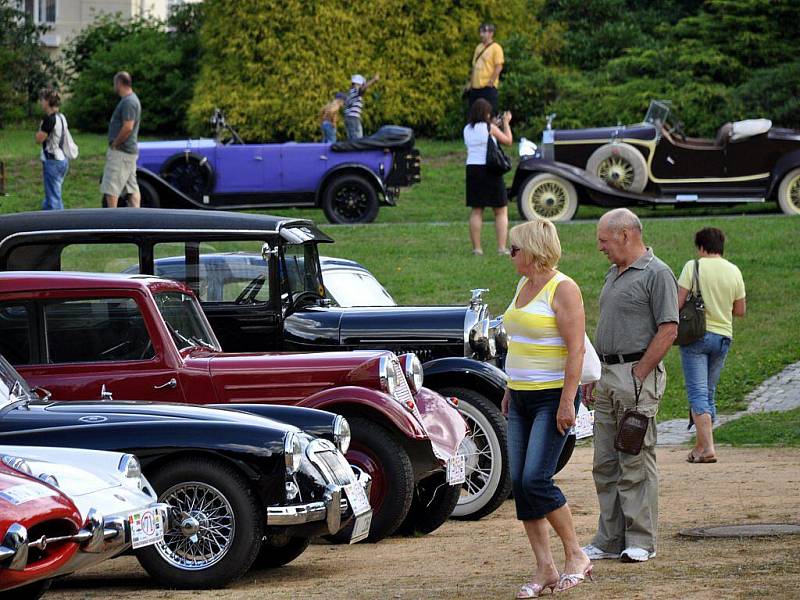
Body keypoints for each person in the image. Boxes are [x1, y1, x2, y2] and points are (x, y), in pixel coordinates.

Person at [501, 218, 592, 598]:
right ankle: (545, 567)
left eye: (515, 249)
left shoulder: (563, 288)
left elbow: (576, 349)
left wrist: (568, 400)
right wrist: (509, 387)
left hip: (551, 397)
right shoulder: (524, 284)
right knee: (520, 483)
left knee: (536, 479)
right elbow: (517, 340)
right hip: (518, 397)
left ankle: (576, 555)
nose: (510, 256)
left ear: (534, 250)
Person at [582, 208, 678, 563]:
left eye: (604, 240)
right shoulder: (614, 273)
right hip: (608, 375)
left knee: (635, 458)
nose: (600, 247)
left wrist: (640, 373)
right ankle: (609, 539)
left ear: (625, 235)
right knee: (605, 462)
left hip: (636, 376)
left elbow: (669, 328)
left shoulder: (658, 274)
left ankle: (641, 540)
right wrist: (596, 373)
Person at [678, 227, 746, 464]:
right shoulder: (734, 271)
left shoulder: (693, 267)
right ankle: (700, 446)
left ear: (700, 247)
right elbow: (740, 310)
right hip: (724, 336)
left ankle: (707, 448)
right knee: (709, 392)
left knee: (697, 393)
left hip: (697, 336)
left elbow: (677, 302)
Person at [463, 98, 512, 255]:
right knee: (500, 210)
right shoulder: (489, 127)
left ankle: (477, 248)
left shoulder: (467, 129)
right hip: (490, 169)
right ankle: (501, 247)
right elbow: (508, 141)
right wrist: (506, 123)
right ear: (487, 113)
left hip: (472, 168)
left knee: (477, 210)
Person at [101, 71, 142, 208]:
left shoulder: (129, 102)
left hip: (121, 152)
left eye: (115, 83)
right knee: (132, 188)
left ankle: (112, 221)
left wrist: (115, 143)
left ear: (119, 83)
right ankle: (137, 217)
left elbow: (128, 127)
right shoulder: (131, 100)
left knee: (111, 188)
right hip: (129, 152)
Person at [35, 89, 68, 210]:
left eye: (42, 100)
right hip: (62, 159)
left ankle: (57, 223)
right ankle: (45, 215)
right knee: (52, 194)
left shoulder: (49, 119)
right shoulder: (61, 117)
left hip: (52, 160)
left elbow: (39, 139)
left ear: (47, 102)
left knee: (54, 198)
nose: (41, 102)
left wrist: (39, 129)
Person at [464, 23, 504, 114]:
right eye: (481, 32)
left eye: (484, 32)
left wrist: (491, 80)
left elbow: (499, 66)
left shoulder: (496, 48)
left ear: (491, 33)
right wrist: (470, 82)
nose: (481, 34)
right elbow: (474, 66)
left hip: (487, 86)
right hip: (475, 87)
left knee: (489, 113)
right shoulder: (478, 47)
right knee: (473, 113)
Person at [344, 73, 379, 140]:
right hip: (353, 118)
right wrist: (374, 80)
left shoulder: (350, 92)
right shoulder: (355, 90)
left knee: (351, 139)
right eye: (362, 84)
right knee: (357, 140)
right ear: (359, 84)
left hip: (349, 118)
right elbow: (362, 89)